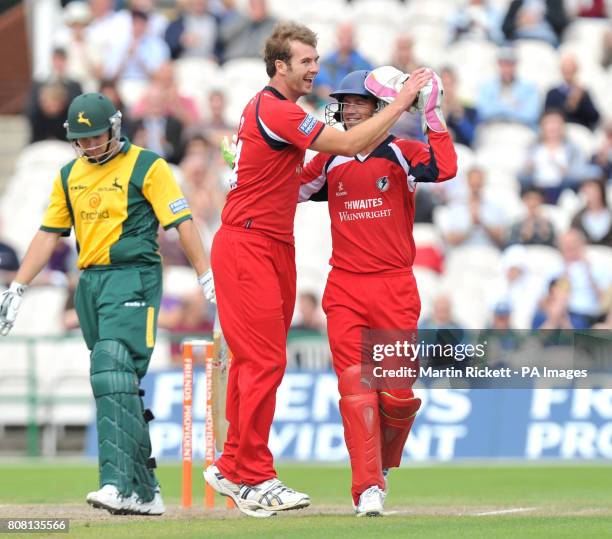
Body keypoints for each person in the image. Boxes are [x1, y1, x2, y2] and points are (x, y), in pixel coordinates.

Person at [203, 22, 432, 518]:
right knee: (263, 363)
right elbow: (348, 145)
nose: (315, 68)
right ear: (280, 66)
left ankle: (231, 465)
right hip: (249, 243)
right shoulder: (275, 108)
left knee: (257, 362)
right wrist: (402, 101)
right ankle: (254, 475)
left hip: (271, 244)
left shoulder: (284, 112)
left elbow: (329, 136)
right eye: (306, 61)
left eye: (315, 59)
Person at [0, 92, 214, 515]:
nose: (91, 145)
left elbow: (181, 223)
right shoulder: (68, 175)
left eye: (97, 137)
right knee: (118, 385)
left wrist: (204, 273)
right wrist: (18, 287)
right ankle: (147, 490)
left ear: (114, 129)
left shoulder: (147, 165)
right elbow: (48, 234)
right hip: (90, 284)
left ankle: (116, 483)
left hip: (133, 276)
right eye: (83, 139)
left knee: (110, 369)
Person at [298, 69, 457, 515]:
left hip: (394, 287)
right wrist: (250, 163)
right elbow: (289, 189)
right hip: (345, 287)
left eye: (355, 102)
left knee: (397, 396)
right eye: (343, 103)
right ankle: (367, 486)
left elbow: (446, 167)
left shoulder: (402, 153)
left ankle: (382, 465)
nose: (347, 110)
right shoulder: (330, 158)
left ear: (379, 106)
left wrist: (432, 113)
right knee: (355, 388)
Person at [544, 52, 600, 130]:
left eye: (571, 68)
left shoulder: (583, 93)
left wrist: (581, 101)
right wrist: (570, 103)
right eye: (566, 68)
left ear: (576, 69)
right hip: (559, 132)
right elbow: (549, 116)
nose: (568, 71)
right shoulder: (552, 93)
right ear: (561, 70)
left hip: (581, 131)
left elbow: (594, 117)